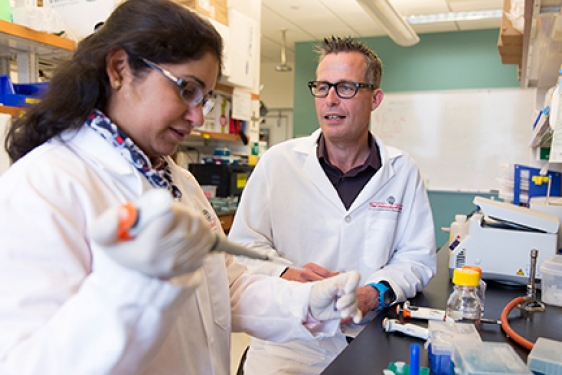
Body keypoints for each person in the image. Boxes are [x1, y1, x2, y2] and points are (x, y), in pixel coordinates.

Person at [0, 3, 363, 374]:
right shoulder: (44, 185)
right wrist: (129, 284)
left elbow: (226, 289)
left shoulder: (176, 180)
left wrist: (305, 302)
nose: (198, 115)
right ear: (119, 69)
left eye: (203, 97)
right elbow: (28, 364)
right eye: (185, 89)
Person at [228, 36, 437, 375]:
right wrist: (286, 273)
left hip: (367, 333)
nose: (330, 100)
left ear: (375, 98)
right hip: (288, 336)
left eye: (346, 88)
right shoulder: (278, 163)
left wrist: (376, 293)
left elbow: (417, 258)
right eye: (322, 87)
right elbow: (243, 247)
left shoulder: (401, 170)